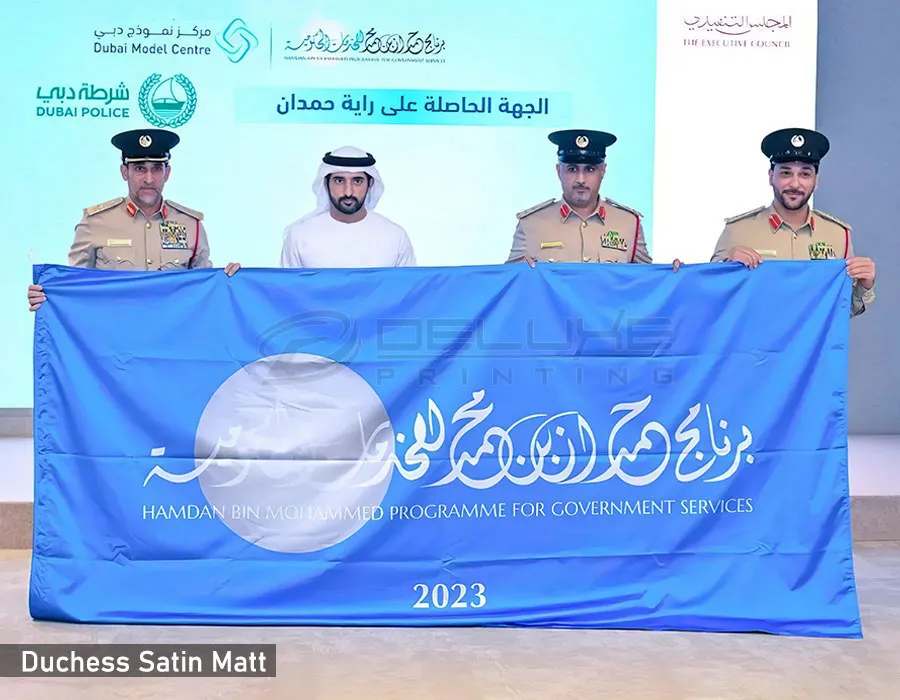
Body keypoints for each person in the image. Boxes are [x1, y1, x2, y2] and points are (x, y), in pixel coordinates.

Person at [27, 128, 239, 311]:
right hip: (114, 346)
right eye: (139, 168)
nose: (149, 178)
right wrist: (49, 296)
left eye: (157, 168)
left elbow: (205, 293)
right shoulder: (94, 223)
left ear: (167, 173)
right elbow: (75, 289)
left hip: (171, 345)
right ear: (124, 172)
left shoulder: (191, 225)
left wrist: (235, 282)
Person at [711, 127, 875, 315]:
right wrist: (727, 266)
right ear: (771, 176)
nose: (795, 184)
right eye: (786, 173)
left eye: (805, 174)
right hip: (755, 344)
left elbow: (841, 310)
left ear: (816, 180)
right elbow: (712, 301)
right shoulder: (738, 231)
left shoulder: (838, 235)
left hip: (813, 345)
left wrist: (865, 285)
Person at [506, 129, 677, 269]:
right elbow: (508, 286)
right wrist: (518, 275)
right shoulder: (531, 224)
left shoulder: (629, 223)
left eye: (590, 169)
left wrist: (676, 278)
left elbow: (648, 284)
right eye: (572, 169)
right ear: (559, 171)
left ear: (603, 171)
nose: (581, 179)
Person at [280, 146, 416, 268]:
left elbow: (408, 292)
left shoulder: (395, 236)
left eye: (357, 181)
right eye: (339, 181)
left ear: (370, 184)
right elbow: (290, 292)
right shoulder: (299, 236)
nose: (348, 192)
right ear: (326, 183)